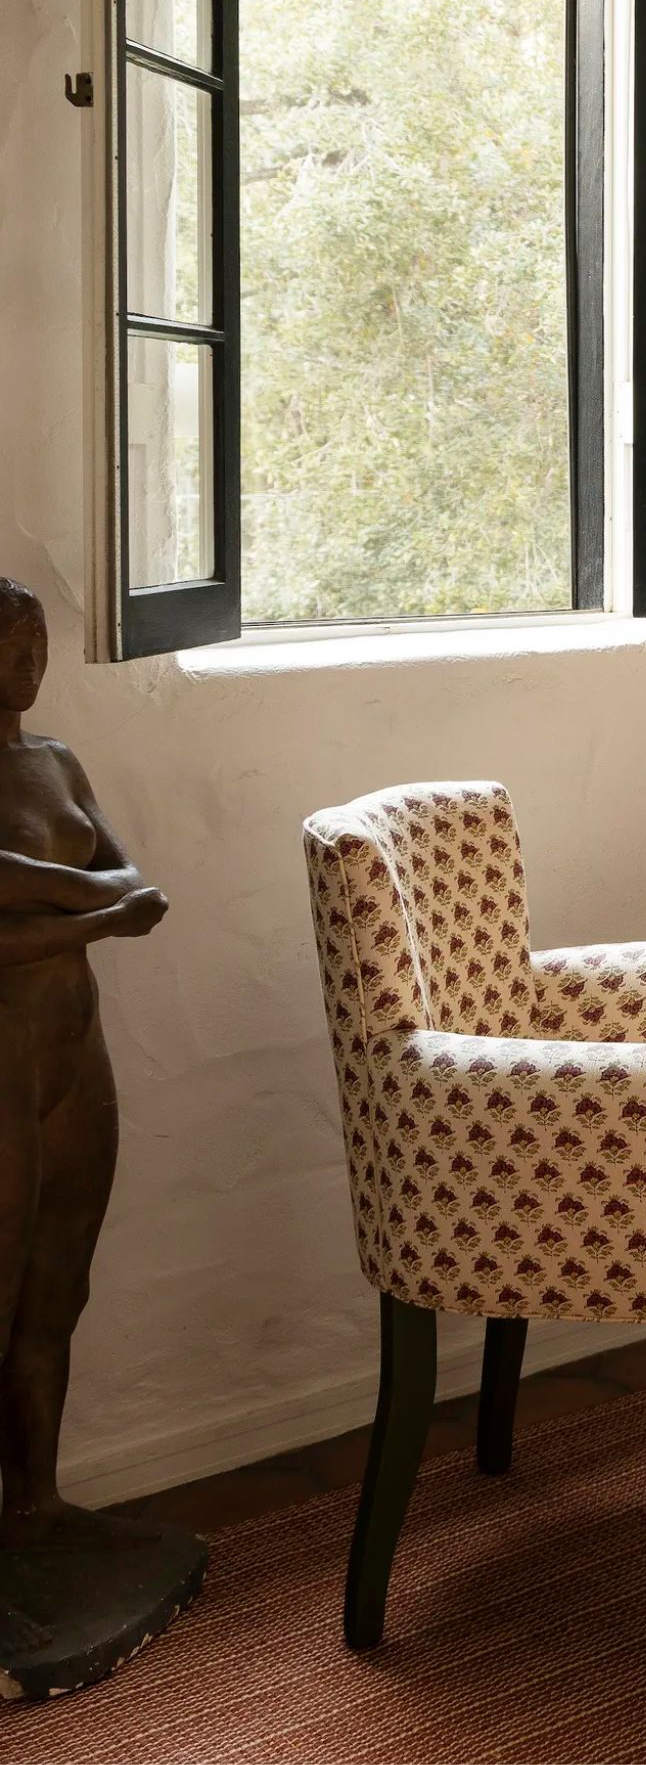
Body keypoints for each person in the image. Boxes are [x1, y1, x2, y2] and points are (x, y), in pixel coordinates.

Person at [0, 577, 163, 1545]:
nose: (29, 663)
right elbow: (119, 899)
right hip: (4, 1065)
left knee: (59, 1283)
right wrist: (94, 912)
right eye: (11, 645)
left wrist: (45, 899)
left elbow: (136, 874)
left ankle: (38, 1501)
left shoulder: (57, 763)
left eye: (37, 644)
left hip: (74, 1049)